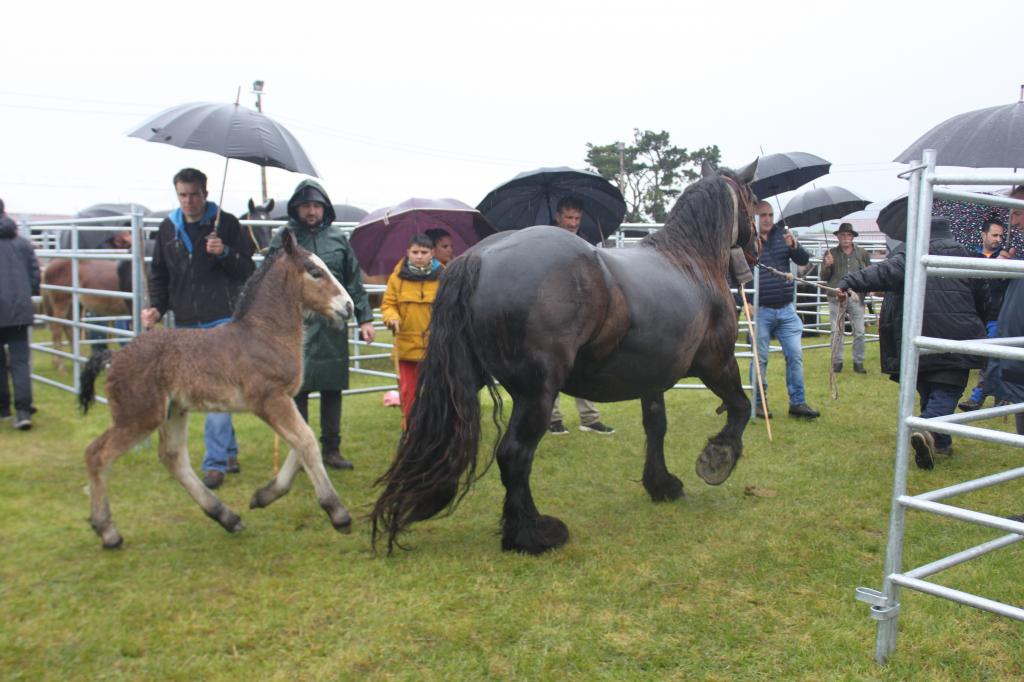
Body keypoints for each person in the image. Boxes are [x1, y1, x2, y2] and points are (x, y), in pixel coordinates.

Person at [837, 216, 990, 470]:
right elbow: (984, 298)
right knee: (946, 391)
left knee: (929, 388)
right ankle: (927, 432)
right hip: (957, 337)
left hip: (917, 337)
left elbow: (882, 272)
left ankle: (938, 440)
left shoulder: (910, 255)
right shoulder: (965, 255)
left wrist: (850, 280)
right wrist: (979, 327)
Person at [142, 169, 255, 489]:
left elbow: (247, 269)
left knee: (214, 390)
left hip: (223, 319)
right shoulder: (168, 228)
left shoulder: (228, 224)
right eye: (182, 194)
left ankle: (215, 463)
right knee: (211, 391)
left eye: (193, 194)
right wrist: (157, 308)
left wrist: (225, 253)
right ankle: (229, 453)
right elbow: (160, 276)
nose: (188, 201)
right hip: (186, 323)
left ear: (205, 193)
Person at [268, 180, 375, 470]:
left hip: (331, 327)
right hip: (296, 326)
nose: (311, 211)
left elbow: (352, 280)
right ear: (296, 208)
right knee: (297, 390)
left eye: (316, 205)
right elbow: (267, 278)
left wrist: (364, 318)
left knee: (332, 389)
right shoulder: (285, 240)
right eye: (306, 205)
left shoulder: (338, 238)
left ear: (324, 208)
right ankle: (301, 451)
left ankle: (331, 449)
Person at [546, 196, 614, 435]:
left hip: (582, 312)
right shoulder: (544, 240)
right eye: (568, 217)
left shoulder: (584, 242)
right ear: (557, 216)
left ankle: (590, 418)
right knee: (553, 364)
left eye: (577, 218)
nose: (573, 222)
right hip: (553, 311)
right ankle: (552, 418)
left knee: (583, 362)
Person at [748, 201, 820, 420]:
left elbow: (803, 260)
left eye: (770, 214)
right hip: (762, 309)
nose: (768, 219)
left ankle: (797, 403)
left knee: (795, 355)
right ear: (754, 217)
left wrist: (794, 247)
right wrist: (745, 301)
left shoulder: (784, 235)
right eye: (763, 215)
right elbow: (735, 271)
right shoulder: (747, 241)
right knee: (760, 359)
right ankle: (759, 404)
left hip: (787, 309)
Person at [381, 234, 441, 423]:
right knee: (408, 394)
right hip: (406, 349)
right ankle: (411, 432)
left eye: (424, 252)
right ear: (408, 253)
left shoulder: (445, 276)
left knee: (438, 392)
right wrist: (392, 317)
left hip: (436, 348)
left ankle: (437, 429)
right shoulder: (396, 278)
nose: (419, 256)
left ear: (432, 253)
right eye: (415, 252)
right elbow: (388, 304)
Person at [959, 217, 1008, 411]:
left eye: (1001, 236)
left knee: (991, 357)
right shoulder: (970, 256)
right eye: (994, 235)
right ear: (983, 235)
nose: (998, 239)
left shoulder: (1007, 257)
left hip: (998, 315)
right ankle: (1002, 395)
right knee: (984, 356)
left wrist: (1005, 265)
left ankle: (977, 397)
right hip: (975, 314)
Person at [0, 198, 40, 430]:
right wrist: (26, 294)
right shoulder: (23, 244)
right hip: (18, 310)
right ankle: (23, 411)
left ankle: (3, 408)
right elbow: (35, 276)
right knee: (20, 361)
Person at [819, 222, 871, 374]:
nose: (846, 238)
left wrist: (867, 289)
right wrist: (827, 265)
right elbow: (824, 277)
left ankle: (858, 362)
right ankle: (837, 362)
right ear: (838, 237)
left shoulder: (862, 253)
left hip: (856, 296)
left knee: (860, 331)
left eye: (848, 235)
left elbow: (868, 273)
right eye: (842, 235)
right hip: (836, 296)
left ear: (853, 237)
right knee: (836, 331)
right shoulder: (830, 254)